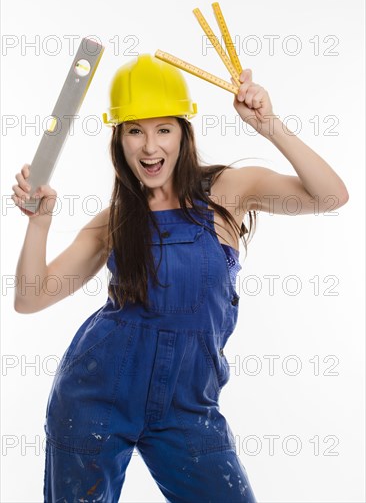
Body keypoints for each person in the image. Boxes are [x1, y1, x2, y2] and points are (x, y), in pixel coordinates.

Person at [12, 53, 349, 502]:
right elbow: (30, 299)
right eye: (135, 130)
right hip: (94, 397)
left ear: (184, 133)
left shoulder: (228, 192)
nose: (150, 147)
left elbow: (331, 196)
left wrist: (269, 125)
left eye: (163, 129)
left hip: (187, 409)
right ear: (119, 140)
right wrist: (39, 223)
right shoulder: (112, 222)